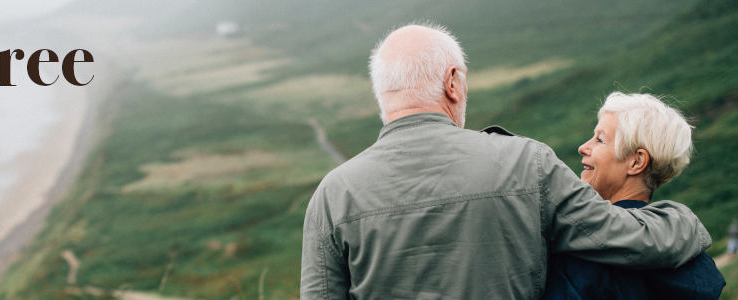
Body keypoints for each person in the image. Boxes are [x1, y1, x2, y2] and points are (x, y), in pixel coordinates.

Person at [300, 24, 712, 299]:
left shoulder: (331, 196)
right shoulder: (527, 163)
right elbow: (631, 241)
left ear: (381, 95)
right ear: (452, 83)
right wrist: (684, 220)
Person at [545, 92, 724, 299]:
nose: (583, 147)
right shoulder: (693, 258)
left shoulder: (579, 255)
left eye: (600, 139)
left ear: (637, 162)